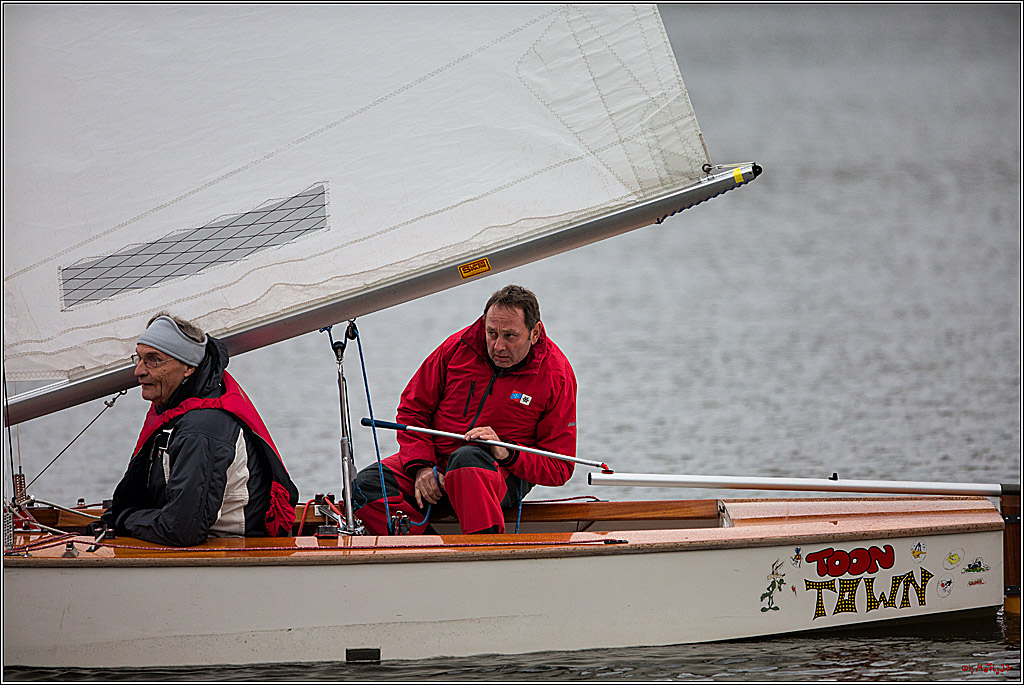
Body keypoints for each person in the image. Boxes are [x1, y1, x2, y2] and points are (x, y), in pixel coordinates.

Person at [352, 284, 577, 535]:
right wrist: (422, 467)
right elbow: (413, 410)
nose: (498, 346)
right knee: (365, 487)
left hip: (499, 472)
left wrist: (508, 454)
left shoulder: (557, 376)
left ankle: (486, 557)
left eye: (510, 336)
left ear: (534, 333)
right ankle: (429, 556)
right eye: (491, 333)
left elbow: (560, 468)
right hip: (437, 466)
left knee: (467, 461)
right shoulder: (456, 349)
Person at [96, 312, 299, 546]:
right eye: (139, 359)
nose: (139, 371)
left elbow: (183, 529)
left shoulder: (202, 429)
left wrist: (124, 519)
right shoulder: (181, 409)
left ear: (188, 368)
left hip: (232, 552)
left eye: (154, 360)